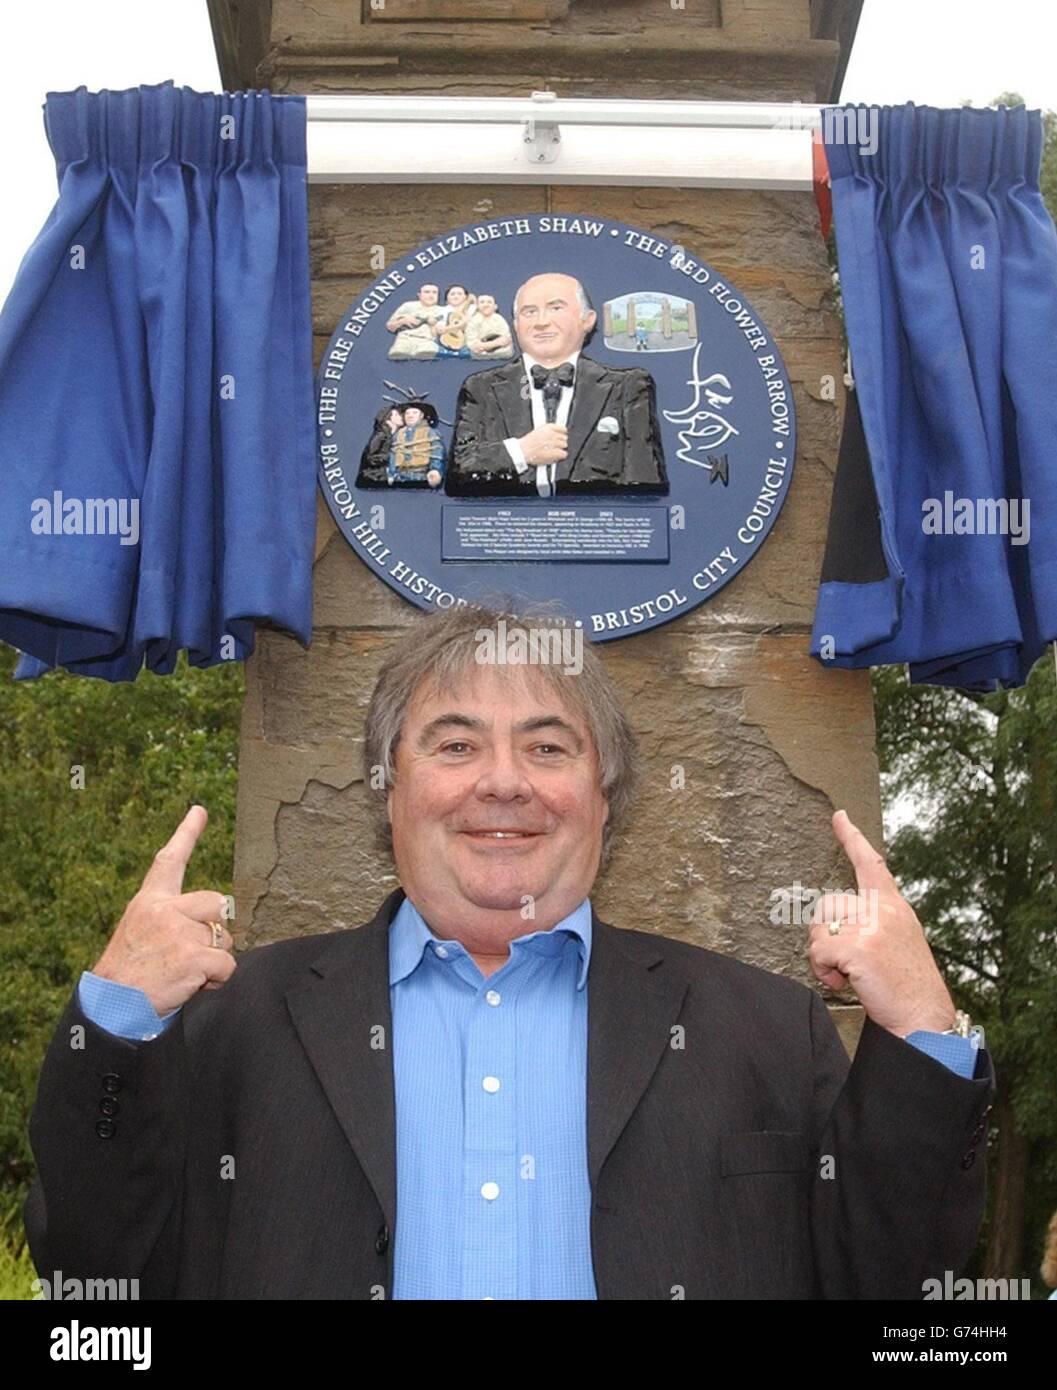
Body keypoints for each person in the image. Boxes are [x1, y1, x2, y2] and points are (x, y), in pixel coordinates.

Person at [23, 604, 994, 1300]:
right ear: (387, 790)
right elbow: (92, 1287)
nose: (503, 783)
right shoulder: (229, 1023)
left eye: (547, 747)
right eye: (453, 745)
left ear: (605, 796)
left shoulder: (764, 1030)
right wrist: (110, 1019)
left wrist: (921, 1033)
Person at [444, 273, 668, 498]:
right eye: (529, 312)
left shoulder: (627, 387)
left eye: (556, 308)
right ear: (515, 325)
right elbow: (458, 474)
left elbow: (646, 488)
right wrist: (521, 452)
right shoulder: (481, 388)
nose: (541, 322)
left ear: (587, 320)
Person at [386, 401, 445, 487]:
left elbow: (437, 452)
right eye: (407, 413)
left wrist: (435, 470)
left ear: (421, 415)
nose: (410, 416)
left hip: (421, 476)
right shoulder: (398, 434)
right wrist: (391, 474)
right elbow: (393, 455)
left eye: (415, 412)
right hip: (400, 477)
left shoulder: (430, 432)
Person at [385, 283, 444, 360]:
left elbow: (446, 334)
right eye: (427, 292)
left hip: (427, 342)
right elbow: (389, 326)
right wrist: (402, 321)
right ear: (419, 295)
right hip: (405, 340)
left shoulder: (443, 311)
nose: (431, 295)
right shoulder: (408, 306)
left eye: (434, 292)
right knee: (397, 355)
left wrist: (433, 326)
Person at [465, 293, 513, 359]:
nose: (486, 305)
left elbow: (506, 339)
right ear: (477, 306)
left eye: (489, 302)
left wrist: (484, 346)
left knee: (507, 352)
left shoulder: (499, 319)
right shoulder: (473, 321)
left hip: (498, 349)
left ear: (495, 306)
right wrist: (495, 343)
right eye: (482, 302)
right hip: (480, 351)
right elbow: (473, 344)